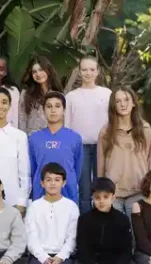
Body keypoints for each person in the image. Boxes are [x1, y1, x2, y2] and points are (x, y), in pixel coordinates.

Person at [97, 87, 151, 217]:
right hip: (112, 192)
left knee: (136, 229)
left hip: (138, 191)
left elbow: (150, 159)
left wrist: (150, 187)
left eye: (126, 100)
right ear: (113, 105)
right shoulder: (105, 132)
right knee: (115, 229)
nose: (123, 104)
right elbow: (100, 163)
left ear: (134, 103)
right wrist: (101, 190)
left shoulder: (145, 129)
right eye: (118, 101)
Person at [65, 56, 112, 213]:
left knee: (102, 187)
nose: (88, 73)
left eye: (92, 69)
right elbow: (67, 124)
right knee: (84, 189)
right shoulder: (71, 96)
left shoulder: (107, 94)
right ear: (79, 72)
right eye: (84, 69)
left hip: (102, 146)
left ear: (98, 71)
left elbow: (112, 120)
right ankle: (86, 221)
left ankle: (102, 219)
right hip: (81, 147)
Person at [29, 92, 83, 203]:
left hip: (68, 194)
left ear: (64, 110)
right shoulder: (34, 138)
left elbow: (77, 168)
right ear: (43, 110)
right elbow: (32, 169)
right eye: (49, 106)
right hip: (41, 195)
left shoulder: (75, 137)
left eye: (57, 106)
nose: (53, 110)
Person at [18, 56, 63, 134]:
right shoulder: (25, 94)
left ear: (48, 70)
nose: (38, 74)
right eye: (34, 72)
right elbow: (22, 120)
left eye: (41, 70)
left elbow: (62, 121)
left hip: (52, 138)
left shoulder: (58, 95)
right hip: (31, 138)